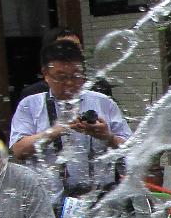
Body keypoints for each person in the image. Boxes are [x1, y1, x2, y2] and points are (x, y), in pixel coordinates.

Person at [10, 38, 132, 200]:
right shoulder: (30, 105)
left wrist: (107, 137)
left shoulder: (104, 102)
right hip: (49, 203)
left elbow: (131, 149)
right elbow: (19, 150)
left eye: (76, 76)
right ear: (46, 75)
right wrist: (56, 131)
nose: (69, 83)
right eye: (60, 77)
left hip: (102, 200)